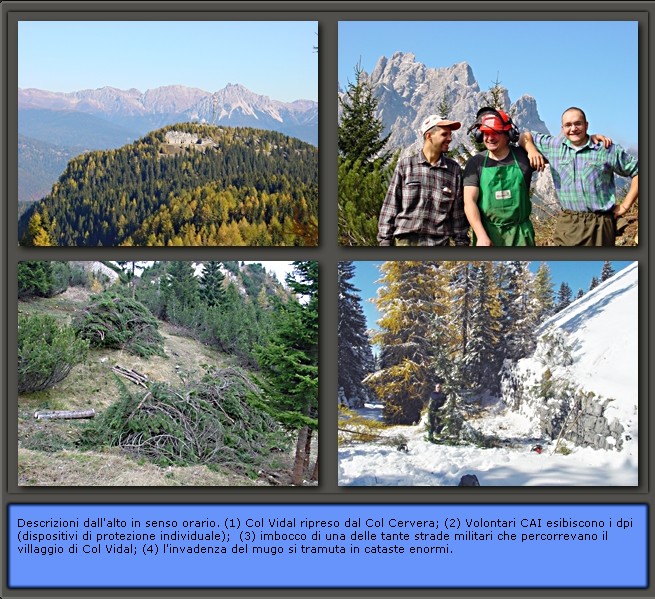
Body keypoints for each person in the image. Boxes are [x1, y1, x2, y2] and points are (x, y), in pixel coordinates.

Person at [519, 107, 638, 246]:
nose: (573, 128)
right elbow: (524, 136)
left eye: (578, 123)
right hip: (568, 223)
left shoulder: (606, 149)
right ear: (562, 128)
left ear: (586, 125)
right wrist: (531, 150)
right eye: (568, 125)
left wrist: (625, 206)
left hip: (599, 224)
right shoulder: (553, 146)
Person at [378, 114, 470, 246]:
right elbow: (390, 206)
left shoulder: (453, 170)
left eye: (450, 135)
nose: (450, 139)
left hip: (440, 243)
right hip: (405, 242)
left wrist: (461, 243)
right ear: (429, 136)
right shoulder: (406, 166)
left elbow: (458, 213)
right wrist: (384, 241)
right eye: (445, 134)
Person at [463, 107, 536, 246]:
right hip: (488, 234)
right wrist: (481, 236)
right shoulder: (475, 163)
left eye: (495, 133)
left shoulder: (523, 157)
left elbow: (560, 146)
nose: (490, 138)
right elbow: (469, 202)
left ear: (508, 134)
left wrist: (530, 146)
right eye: (486, 133)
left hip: (521, 235)